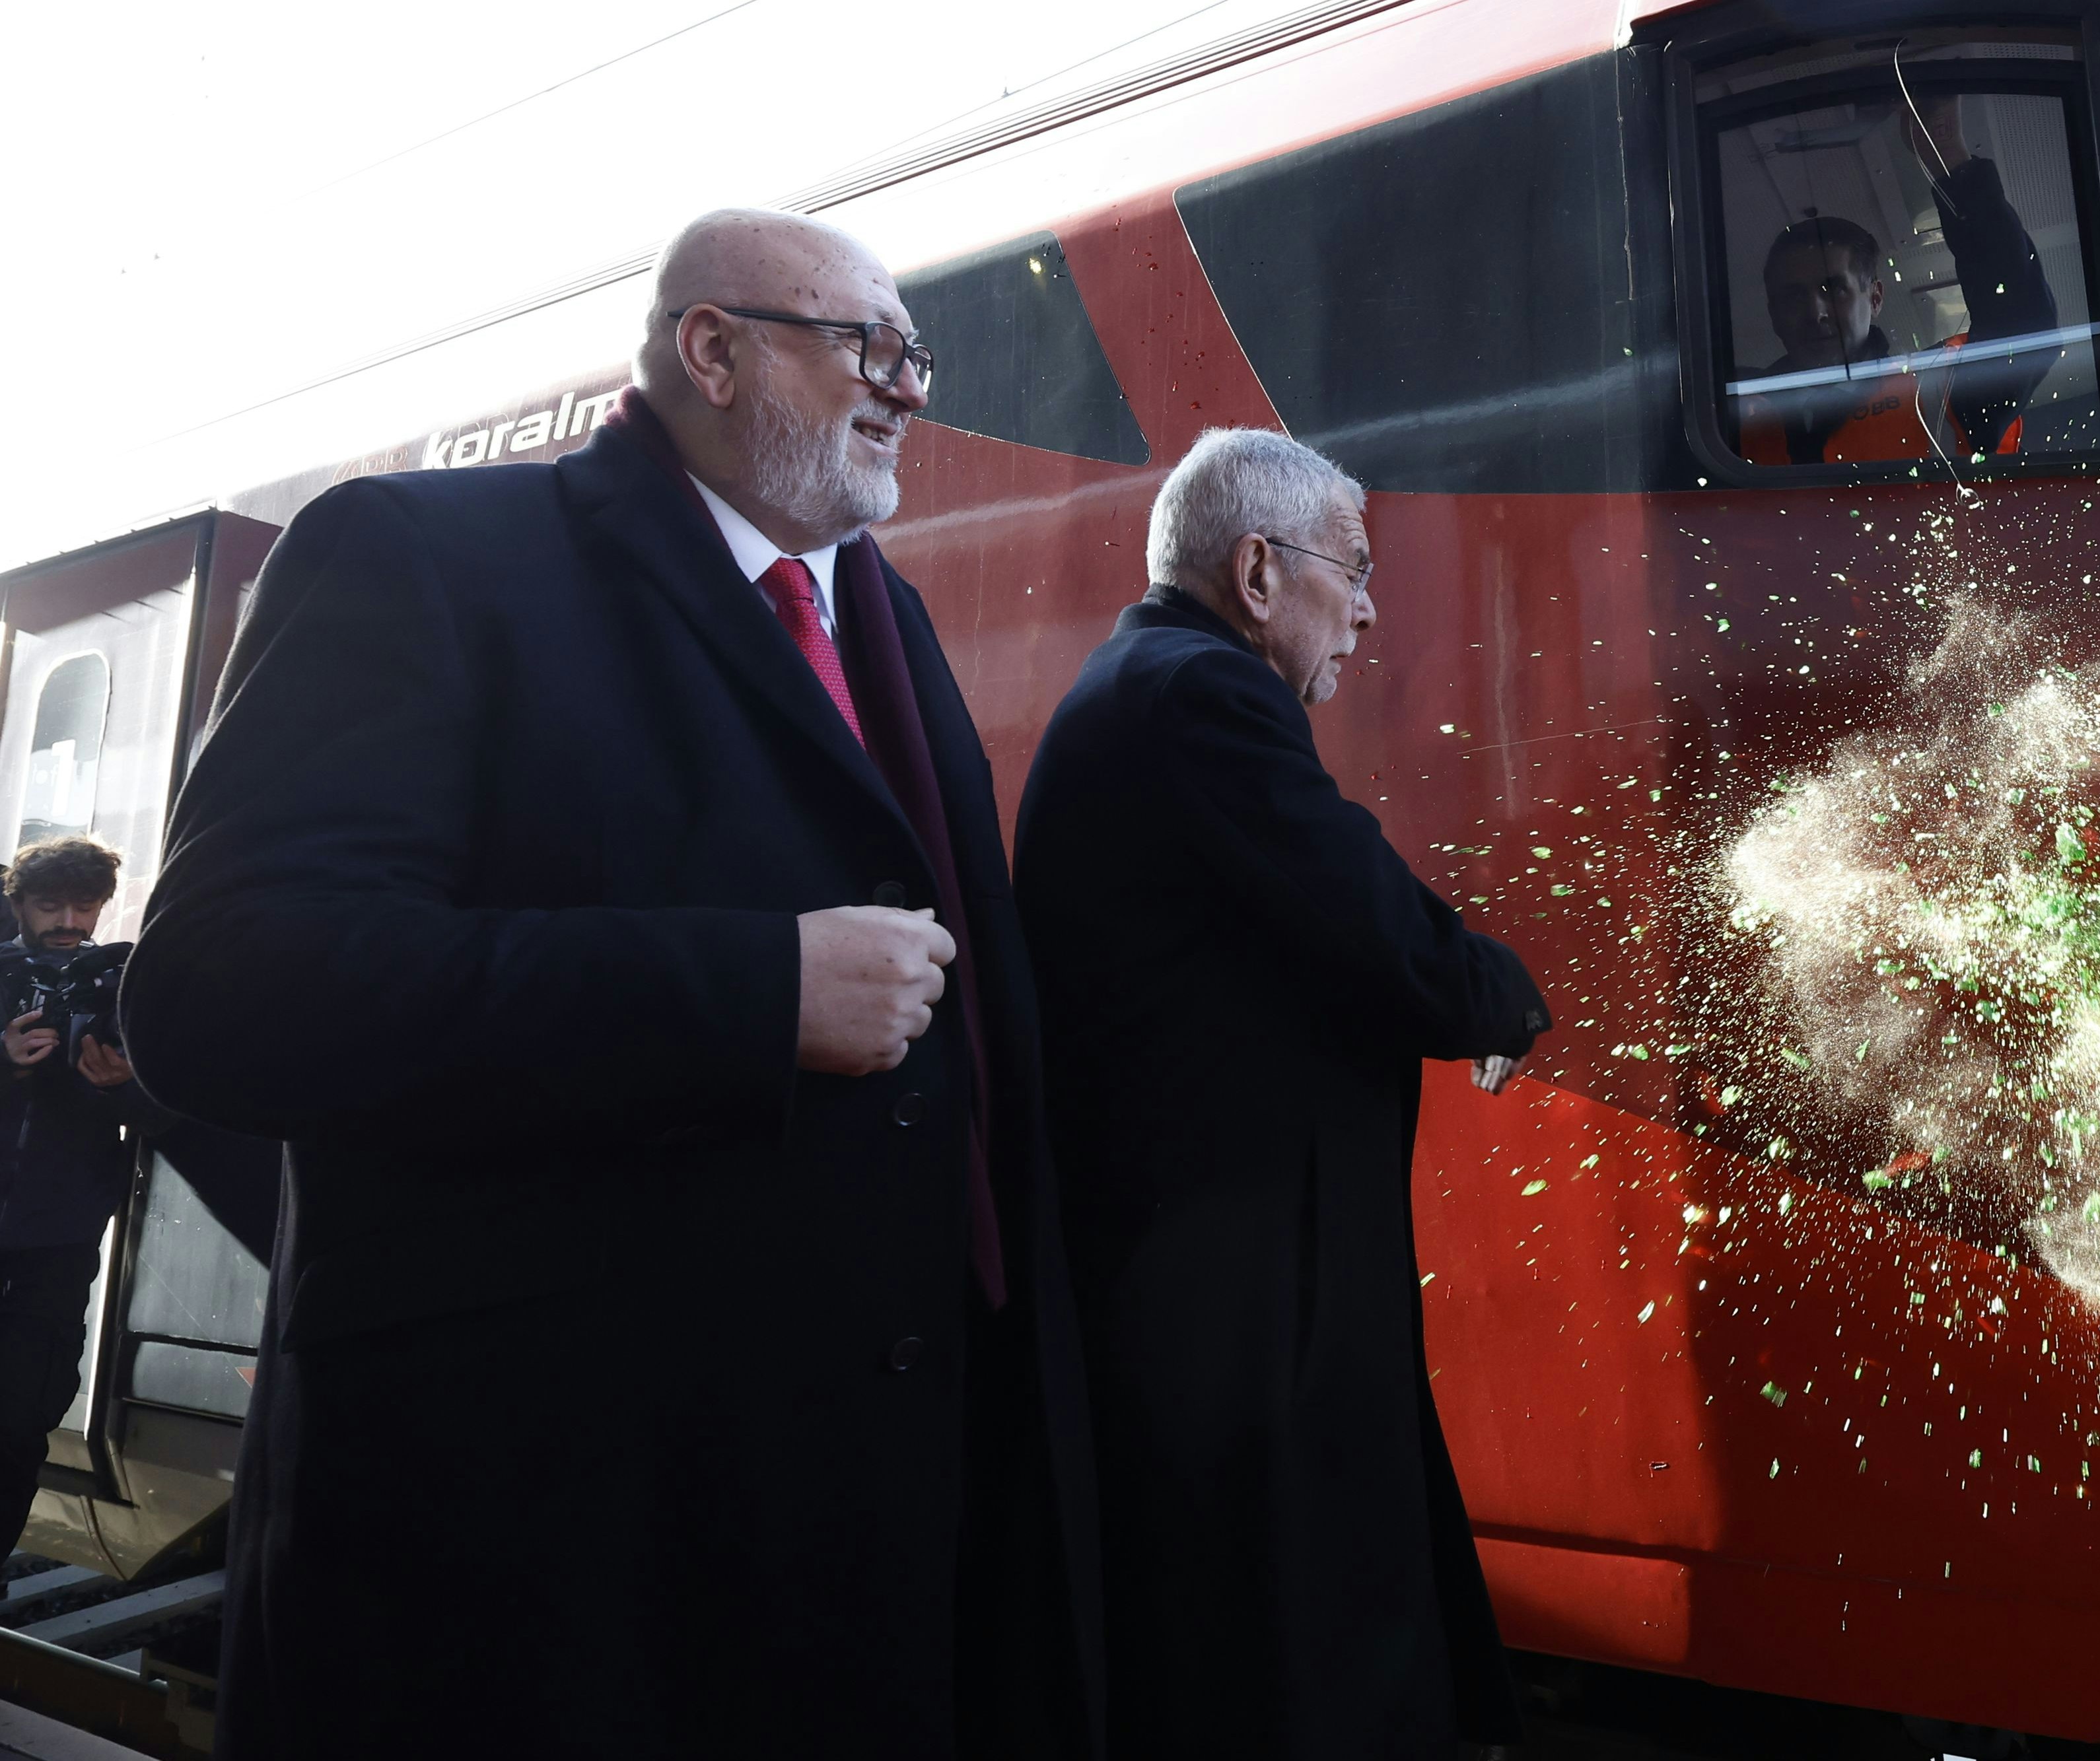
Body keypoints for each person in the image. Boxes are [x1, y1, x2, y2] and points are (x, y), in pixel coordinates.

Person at [122, 209, 1101, 1760]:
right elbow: (224, 988)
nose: (909, 389)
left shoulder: (881, 617)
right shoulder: (421, 553)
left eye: (916, 355)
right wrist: (747, 990)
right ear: (710, 349)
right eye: (866, 345)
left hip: (851, 1530)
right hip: (542, 1562)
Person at [1014, 427, 1551, 1760]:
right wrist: (1498, 994)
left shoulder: (1149, 681)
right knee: (1277, 1667)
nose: (1370, 609)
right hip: (1225, 1313)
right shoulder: (1195, 694)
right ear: (1258, 569)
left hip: (1217, 1290)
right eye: (1352, 571)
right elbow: (1361, 908)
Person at [0, 836, 170, 1550]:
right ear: (17, 904)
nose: (70, 919)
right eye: (51, 904)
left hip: (61, 1236)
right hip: (55, 1224)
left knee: (23, 1415)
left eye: (86, 904)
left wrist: (125, 1089)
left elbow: (180, 1108)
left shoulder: (127, 984)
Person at [1738, 96, 2058, 467]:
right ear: (1773, 314)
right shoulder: (1727, 416)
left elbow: (2023, 323)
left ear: (1875, 299)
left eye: (1833, 288)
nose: (1815, 312)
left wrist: (1947, 157)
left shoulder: (1940, 391)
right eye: (1793, 297)